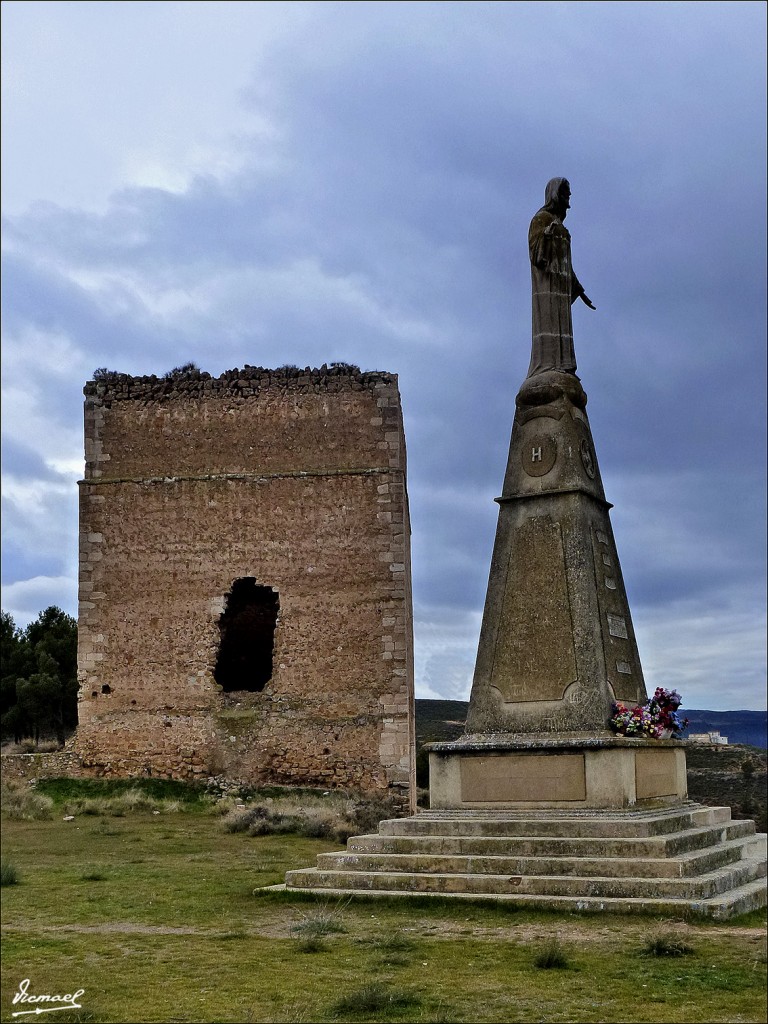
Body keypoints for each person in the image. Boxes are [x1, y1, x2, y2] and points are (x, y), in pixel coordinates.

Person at [527, 177, 595, 378]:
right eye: (565, 192)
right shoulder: (541, 219)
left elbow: (566, 263)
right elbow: (536, 253)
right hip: (546, 286)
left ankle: (564, 365)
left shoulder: (558, 224)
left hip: (561, 287)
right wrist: (547, 234)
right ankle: (548, 365)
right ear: (556, 194)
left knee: (563, 329)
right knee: (549, 325)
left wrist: (578, 288)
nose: (569, 196)